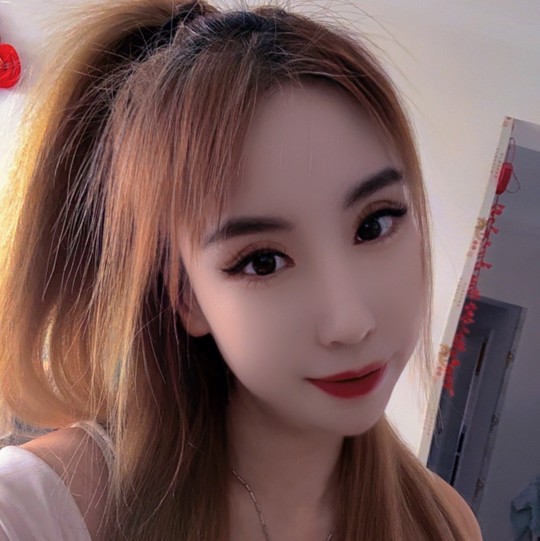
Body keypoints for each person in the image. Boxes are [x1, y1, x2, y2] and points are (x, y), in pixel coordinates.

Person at [0, 1, 483, 539]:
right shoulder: (33, 511)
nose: (350, 322)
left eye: (374, 225)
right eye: (263, 261)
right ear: (186, 296)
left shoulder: (442, 521)